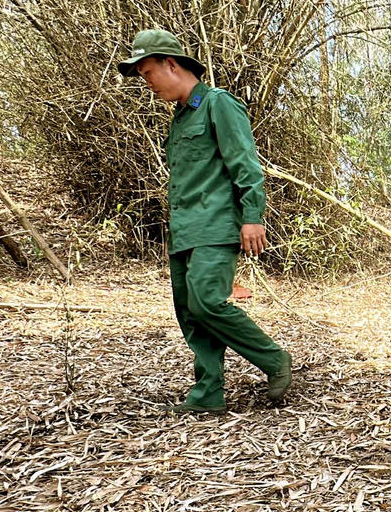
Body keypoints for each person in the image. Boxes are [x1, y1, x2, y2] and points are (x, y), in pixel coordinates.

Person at [118, 29, 292, 413]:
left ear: (171, 63)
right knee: (190, 312)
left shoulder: (218, 104)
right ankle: (208, 393)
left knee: (208, 303)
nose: (146, 84)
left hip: (216, 225)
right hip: (185, 230)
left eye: (147, 74)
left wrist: (252, 217)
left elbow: (245, 165)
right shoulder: (179, 120)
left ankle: (274, 359)